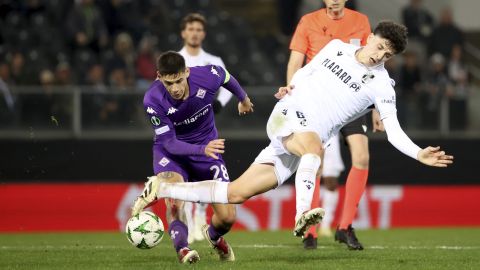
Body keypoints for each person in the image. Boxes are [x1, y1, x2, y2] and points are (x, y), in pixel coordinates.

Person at [132, 21, 454, 254]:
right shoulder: (338, 49)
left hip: (301, 139)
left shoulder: (382, 86)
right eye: (379, 45)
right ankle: (302, 215)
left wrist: (417, 153)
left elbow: (393, 128)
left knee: (235, 195)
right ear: (369, 38)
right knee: (314, 149)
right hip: (290, 115)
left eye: (387, 53)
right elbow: (307, 72)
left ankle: (163, 187)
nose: (379, 54)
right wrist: (291, 87)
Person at [133, 51, 254, 264]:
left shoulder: (206, 76)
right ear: (159, 77)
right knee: (174, 202)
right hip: (172, 155)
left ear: (187, 72)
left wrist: (243, 98)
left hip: (207, 151)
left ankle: (214, 236)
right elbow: (169, 143)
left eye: (179, 80)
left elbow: (226, 77)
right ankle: (183, 249)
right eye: (169, 83)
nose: (175, 88)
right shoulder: (152, 99)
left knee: (227, 218)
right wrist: (201, 150)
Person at [286, 0, 379, 250]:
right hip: (316, 100)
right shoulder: (309, 21)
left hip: (350, 99)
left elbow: (373, 63)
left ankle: (345, 226)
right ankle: (310, 231)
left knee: (362, 156)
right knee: (315, 161)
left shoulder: (360, 21)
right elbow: (295, 62)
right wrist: (292, 95)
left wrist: (377, 107)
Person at [178, 13, 233, 244]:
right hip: (180, 128)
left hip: (204, 127)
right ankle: (190, 219)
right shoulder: (175, 59)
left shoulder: (213, 60)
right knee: (186, 171)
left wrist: (219, 103)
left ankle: (200, 215)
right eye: (191, 29)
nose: (194, 33)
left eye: (199, 29)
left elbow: (229, 84)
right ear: (183, 32)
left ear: (204, 34)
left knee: (205, 168)